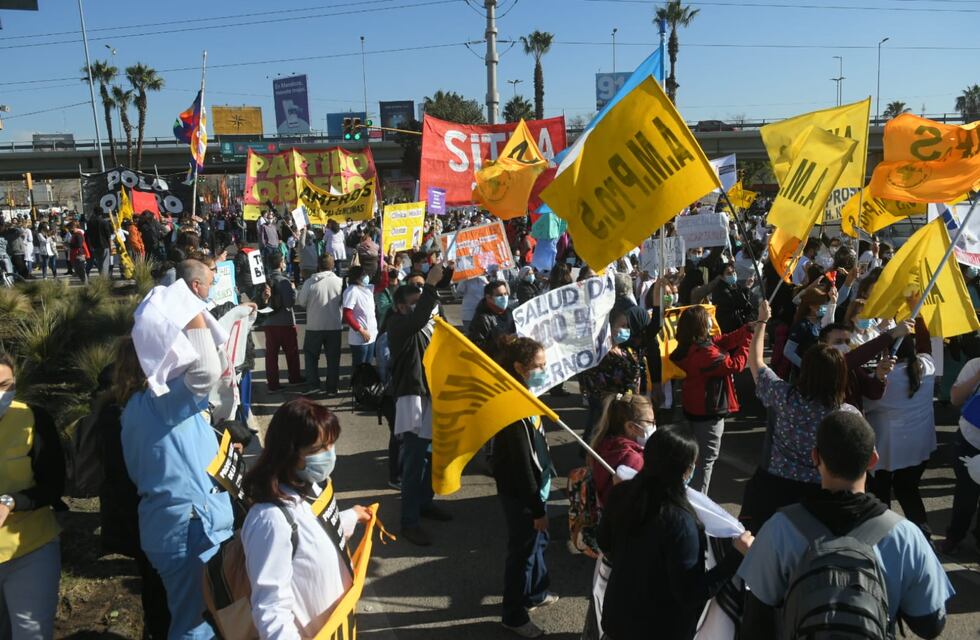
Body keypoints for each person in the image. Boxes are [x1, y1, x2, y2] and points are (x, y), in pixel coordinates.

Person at [739, 411, 953, 639]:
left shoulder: (779, 528)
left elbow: (755, 625)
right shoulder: (905, 534)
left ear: (815, 457)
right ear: (873, 459)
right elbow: (930, 625)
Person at [119, 298, 235, 638]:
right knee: (196, 625)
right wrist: (190, 310)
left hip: (178, 528)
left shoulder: (140, 407)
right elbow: (207, 371)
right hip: (191, 530)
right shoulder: (161, 402)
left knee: (199, 618)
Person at [598, 428, 754, 640]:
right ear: (687, 470)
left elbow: (604, 543)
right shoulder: (681, 522)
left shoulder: (621, 494)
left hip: (617, 620)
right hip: (660, 629)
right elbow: (691, 593)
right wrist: (736, 555)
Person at [242, 398, 372, 639]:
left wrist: (351, 516)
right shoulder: (270, 520)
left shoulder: (310, 487)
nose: (328, 455)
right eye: (317, 450)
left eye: (331, 445)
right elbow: (271, 610)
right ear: (289, 453)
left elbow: (312, 538)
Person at [742, 300, 859, 532]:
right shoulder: (847, 416)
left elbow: (755, 362)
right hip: (821, 494)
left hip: (774, 489)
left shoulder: (784, 398)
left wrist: (762, 321)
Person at [491, 336, 558, 638]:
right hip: (522, 494)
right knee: (522, 553)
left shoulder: (527, 393)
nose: (543, 371)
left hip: (536, 487)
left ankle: (536, 592)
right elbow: (521, 466)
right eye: (538, 366)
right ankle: (514, 615)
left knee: (538, 544)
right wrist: (537, 508)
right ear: (519, 367)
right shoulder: (513, 406)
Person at [0, 351, 66, 640]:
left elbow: (52, 486)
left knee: (31, 633)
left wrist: (11, 501)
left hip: (29, 550)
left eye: (6, 385)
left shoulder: (33, 419)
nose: (1, 394)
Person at [388, 265, 453, 546]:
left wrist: (443, 276)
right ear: (401, 307)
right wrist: (429, 285)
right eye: (414, 305)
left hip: (430, 395)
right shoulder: (398, 324)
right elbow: (419, 318)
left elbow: (432, 309)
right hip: (411, 398)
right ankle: (409, 521)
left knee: (429, 454)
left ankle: (425, 502)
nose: (422, 310)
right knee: (414, 460)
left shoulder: (429, 323)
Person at [669, 305, 754, 493]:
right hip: (709, 411)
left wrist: (745, 330)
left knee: (693, 458)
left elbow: (722, 341)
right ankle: (700, 501)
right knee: (706, 460)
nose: (710, 323)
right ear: (700, 327)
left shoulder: (690, 346)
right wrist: (748, 339)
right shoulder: (704, 354)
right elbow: (736, 365)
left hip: (694, 407)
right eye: (707, 320)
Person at [866, 319, 936, 540]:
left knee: (880, 496)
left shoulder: (886, 380)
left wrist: (876, 375)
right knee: (909, 491)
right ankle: (924, 539)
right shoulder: (928, 366)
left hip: (887, 451)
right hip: (918, 447)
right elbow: (928, 347)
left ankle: (884, 540)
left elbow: (867, 402)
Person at [579, 308, 645, 445]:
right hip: (607, 413)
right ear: (609, 327)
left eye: (628, 326)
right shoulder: (598, 355)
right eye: (622, 326)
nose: (626, 330)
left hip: (626, 409)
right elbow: (595, 388)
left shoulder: (627, 350)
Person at [942, 350, 980, 553]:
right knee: (966, 495)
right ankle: (954, 537)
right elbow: (955, 399)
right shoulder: (974, 364)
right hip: (969, 440)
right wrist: (977, 376)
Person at [589, 392, 655, 507]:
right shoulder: (634, 459)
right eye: (650, 422)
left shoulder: (604, 444)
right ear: (630, 427)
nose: (654, 426)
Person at [297, 254, 344, 395]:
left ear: (318, 265)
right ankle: (332, 387)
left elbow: (301, 302)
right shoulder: (340, 282)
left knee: (311, 356)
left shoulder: (309, 282)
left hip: (314, 326)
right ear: (333, 266)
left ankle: (313, 385)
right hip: (334, 325)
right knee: (333, 358)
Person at [466, 280, 516, 357]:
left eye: (505, 294)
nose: (504, 298)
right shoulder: (482, 319)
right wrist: (503, 342)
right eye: (499, 295)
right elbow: (476, 347)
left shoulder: (509, 312)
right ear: (489, 297)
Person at [342, 265, 378, 369]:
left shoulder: (368, 288)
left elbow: (383, 284)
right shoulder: (351, 291)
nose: (367, 277)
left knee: (368, 366)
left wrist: (384, 270)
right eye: (364, 274)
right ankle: (357, 385)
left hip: (372, 335)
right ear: (358, 276)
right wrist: (361, 331)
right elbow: (347, 314)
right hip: (360, 338)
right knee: (360, 367)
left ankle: (365, 385)